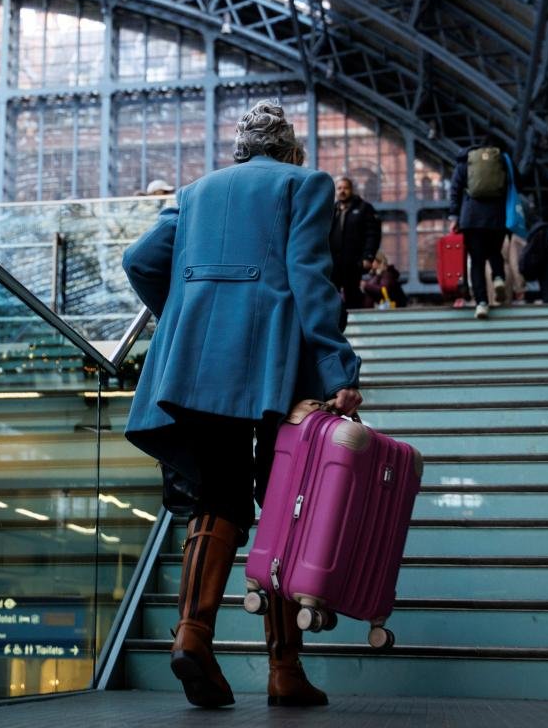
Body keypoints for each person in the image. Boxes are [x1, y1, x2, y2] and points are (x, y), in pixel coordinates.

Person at [122, 100, 361, 709]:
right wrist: (339, 368)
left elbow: (139, 260)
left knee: (217, 495)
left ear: (240, 149)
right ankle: (284, 671)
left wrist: (184, 308)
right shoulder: (305, 185)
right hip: (278, 365)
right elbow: (310, 280)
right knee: (284, 504)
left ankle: (192, 635)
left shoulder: (195, 191)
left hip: (198, 360)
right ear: (289, 150)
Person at [448, 133, 512, 319]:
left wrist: (454, 216)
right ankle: (498, 278)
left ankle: (482, 303)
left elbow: (455, 188)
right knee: (494, 251)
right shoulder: (502, 159)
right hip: (497, 216)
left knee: (477, 261)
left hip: (471, 217)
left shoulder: (466, 161)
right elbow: (518, 182)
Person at [329, 175, 382, 309]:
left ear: (352, 189)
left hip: (354, 262)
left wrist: (368, 256)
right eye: (339, 188)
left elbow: (373, 235)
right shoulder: (332, 210)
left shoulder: (365, 208)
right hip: (334, 262)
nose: (342, 191)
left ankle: (355, 326)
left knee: (352, 295)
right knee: (331, 295)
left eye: (345, 188)